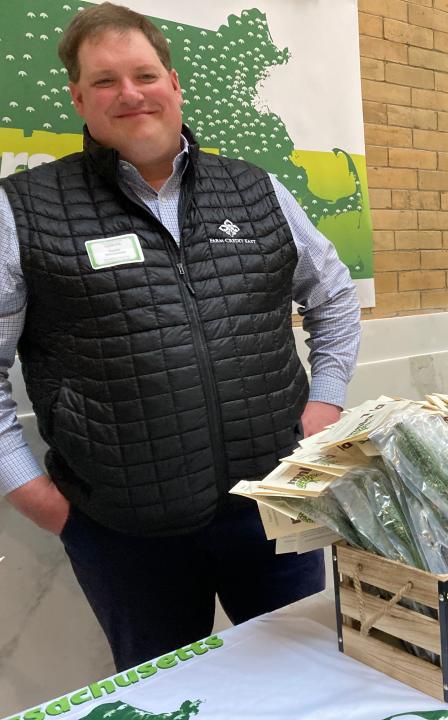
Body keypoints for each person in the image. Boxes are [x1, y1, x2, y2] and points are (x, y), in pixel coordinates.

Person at [0, 3, 360, 671]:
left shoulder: (256, 190)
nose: (130, 94)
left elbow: (335, 298)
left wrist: (325, 404)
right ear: (78, 98)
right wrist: (33, 494)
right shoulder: (24, 208)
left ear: (174, 84)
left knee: (307, 676)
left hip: (272, 508)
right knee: (167, 695)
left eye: (143, 74)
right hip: (125, 533)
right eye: (105, 81)